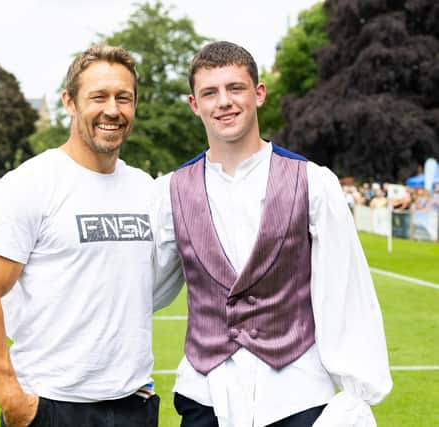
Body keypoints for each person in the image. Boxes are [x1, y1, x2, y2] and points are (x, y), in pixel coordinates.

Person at [152, 41, 392, 427]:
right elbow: (141, 288)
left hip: (296, 394)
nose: (223, 102)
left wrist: (356, 394)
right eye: (210, 93)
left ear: (258, 93)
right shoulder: (167, 192)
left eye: (235, 88)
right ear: (194, 104)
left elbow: (345, 292)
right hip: (205, 394)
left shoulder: (315, 182)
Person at [0, 44, 163, 427]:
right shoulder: (30, 183)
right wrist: (14, 403)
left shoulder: (145, 188)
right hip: (52, 406)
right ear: (69, 102)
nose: (113, 110)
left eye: (124, 98)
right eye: (98, 97)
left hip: (134, 405)